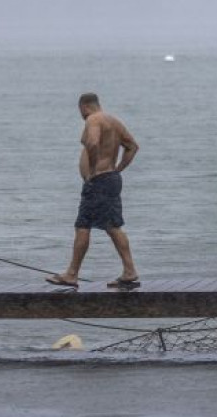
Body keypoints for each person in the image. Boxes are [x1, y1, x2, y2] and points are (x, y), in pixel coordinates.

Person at [47, 92, 142, 288]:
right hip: (111, 179)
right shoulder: (114, 122)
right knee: (112, 226)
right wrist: (118, 168)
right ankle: (129, 270)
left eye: (80, 111)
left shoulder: (93, 119)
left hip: (98, 181)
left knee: (83, 225)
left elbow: (92, 142)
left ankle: (72, 274)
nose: (81, 115)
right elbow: (132, 146)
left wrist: (92, 169)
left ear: (84, 106)